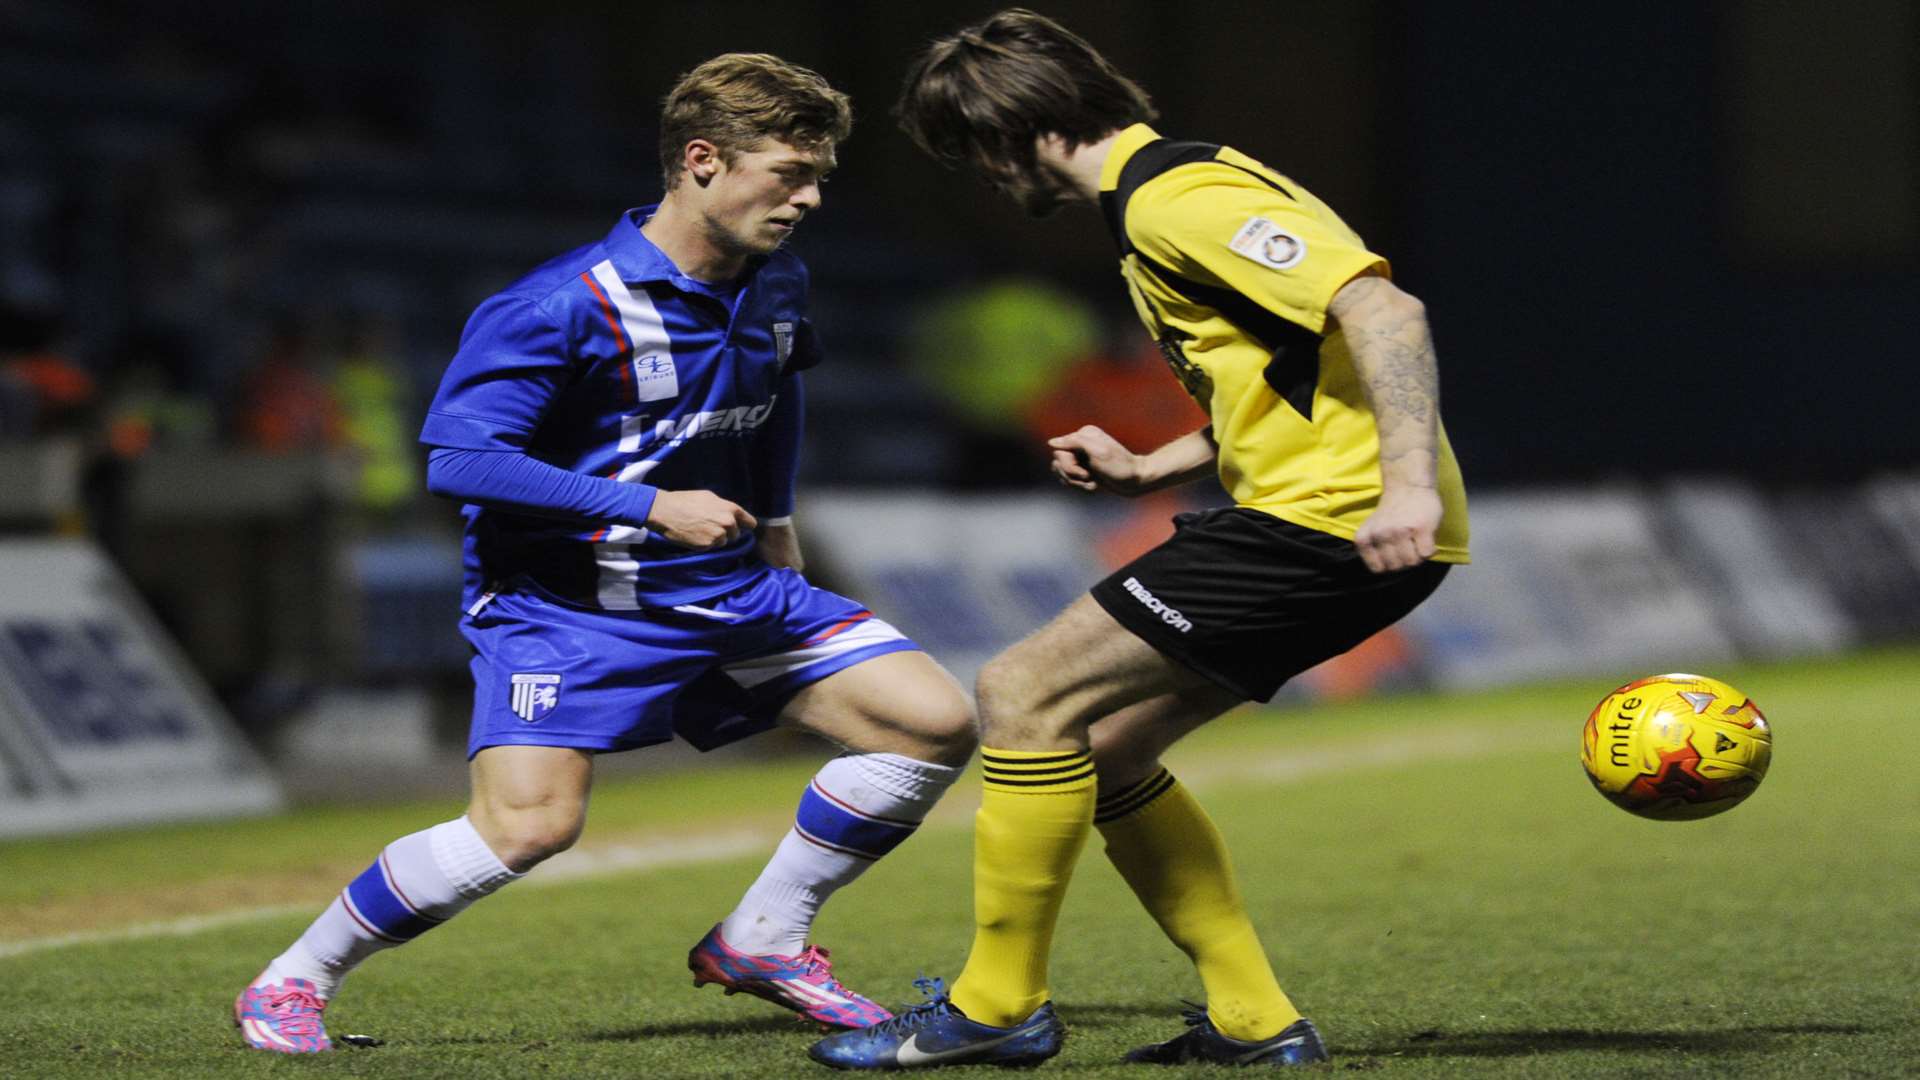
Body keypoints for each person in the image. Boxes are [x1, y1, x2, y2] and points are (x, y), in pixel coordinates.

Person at [233, 53, 977, 1054]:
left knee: (930, 721)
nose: (806, 200)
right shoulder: (557, 306)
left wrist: (779, 515)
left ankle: (764, 937)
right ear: (703, 161)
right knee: (529, 829)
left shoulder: (777, 276)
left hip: (727, 585)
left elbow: (779, 388)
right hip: (566, 607)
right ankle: (294, 978)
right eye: (788, 174)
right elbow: (458, 459)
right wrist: (649, 503)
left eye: (819, 180)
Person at [811, 9, 1469, 1070]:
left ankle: (993, 1008)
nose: (983, 179)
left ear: (1005, 133)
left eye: (970, 154)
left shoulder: (1179, 200)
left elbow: (1385, 315)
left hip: (1327, 519)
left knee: (1023, 691)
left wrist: (1404, 491)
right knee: (1108, 746)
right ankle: (1256, 1023)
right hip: (1330, 515)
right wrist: (1154, 466)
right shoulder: (1181, 185)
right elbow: (1286, 365)